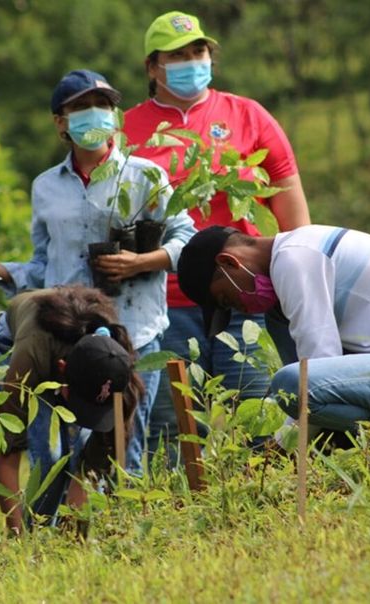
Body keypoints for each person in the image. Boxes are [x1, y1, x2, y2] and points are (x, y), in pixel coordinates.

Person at [0, 69, 193, 524]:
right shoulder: (46, 187)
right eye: (81, 108)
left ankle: (123, 540)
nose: (94, 116)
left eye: (102, 106)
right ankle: (51, 539)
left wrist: (141, 262)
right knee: (51, 449)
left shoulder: (145, 177)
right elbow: (43, 267)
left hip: (130, 335)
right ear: (60, 122)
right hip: (64, 337)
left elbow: (185, 238)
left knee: (121, 448)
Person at [122, 11, 311, 454]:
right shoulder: (128, 130)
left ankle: (267, 507)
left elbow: (293, 216)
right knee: (172, 432)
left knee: (261, 409)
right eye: (177, 55)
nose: (192, 61)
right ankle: (181, 517)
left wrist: (296, 284)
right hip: (165, 303)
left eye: (198, 51)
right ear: (153, 66)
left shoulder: (248, 116)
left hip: (247, 294)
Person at [176, 225, 370, 448]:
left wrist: (280, 445)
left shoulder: (295, 259)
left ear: (229, 262)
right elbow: (316, 395)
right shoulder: (280, 304)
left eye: (228, 299)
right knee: (299, 391)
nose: (241, 308)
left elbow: (311, 375)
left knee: (290, 384)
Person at [0, 286, 143, 532]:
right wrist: (18, 538)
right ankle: (35, 535)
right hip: (12, 347)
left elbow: (91, 467)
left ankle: (62, 537)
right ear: (62, 370)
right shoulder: (30, 357)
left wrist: (73, 538)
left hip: (73, 364)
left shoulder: (114, 366)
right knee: (50, 456)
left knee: (77, 454)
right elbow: (8, 457)